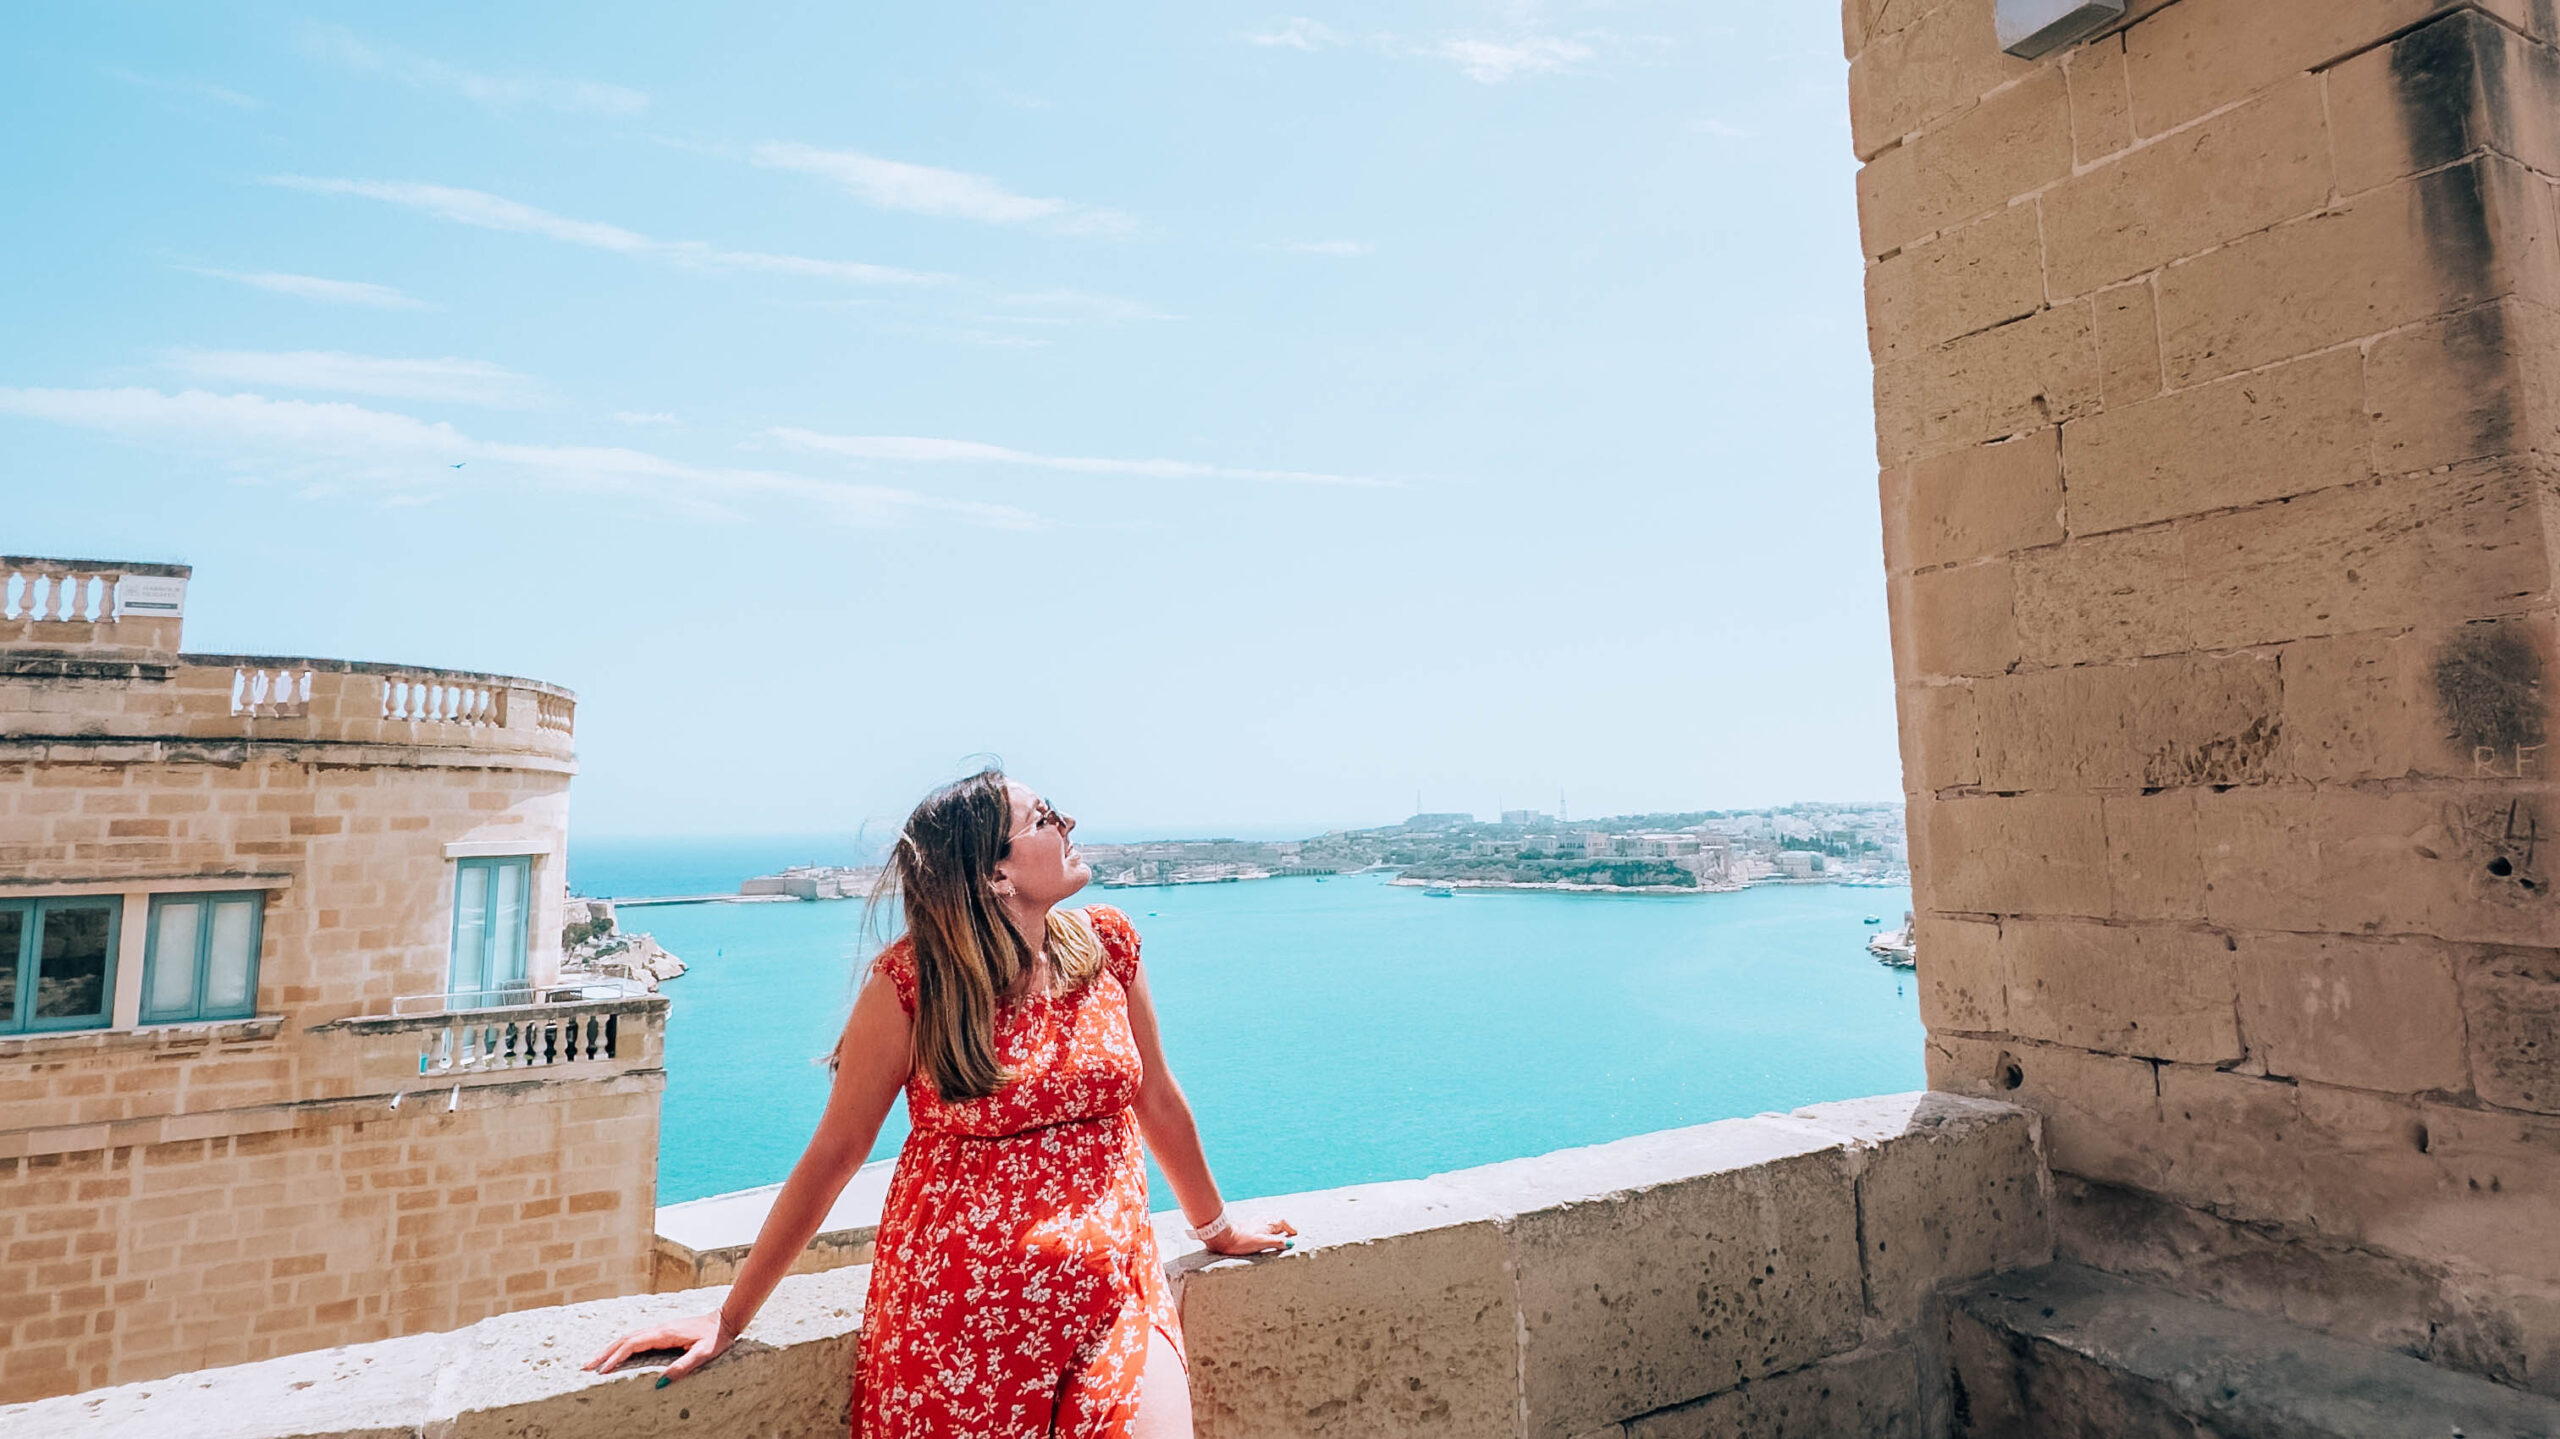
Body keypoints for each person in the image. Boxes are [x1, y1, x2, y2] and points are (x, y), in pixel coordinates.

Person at [585, 770, 1294, 1437]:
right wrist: (730, 1316)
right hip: (956, 1337)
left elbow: (1158, 1100)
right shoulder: (909, 989)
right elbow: (837, 1151)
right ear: (995, 872)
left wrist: (1217, 1225)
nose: (1068, 821)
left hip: (1113, 1303)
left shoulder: (1108, 947)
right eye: (1043, 818)